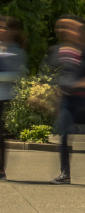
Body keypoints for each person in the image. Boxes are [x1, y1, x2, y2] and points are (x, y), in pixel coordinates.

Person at [48, 15, 85, 184]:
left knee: (68, 131)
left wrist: (80, 84)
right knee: (64, 133)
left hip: (81, 100)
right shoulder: (61, 51)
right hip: (66, 99)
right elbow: (51, 72)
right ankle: (65, 174)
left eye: (75, 29)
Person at [0, 16, 27, 181]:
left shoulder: (18, 51)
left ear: (11, 31)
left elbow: (17, 75)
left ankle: (1, 169)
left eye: (3, 28)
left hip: (4, 96)